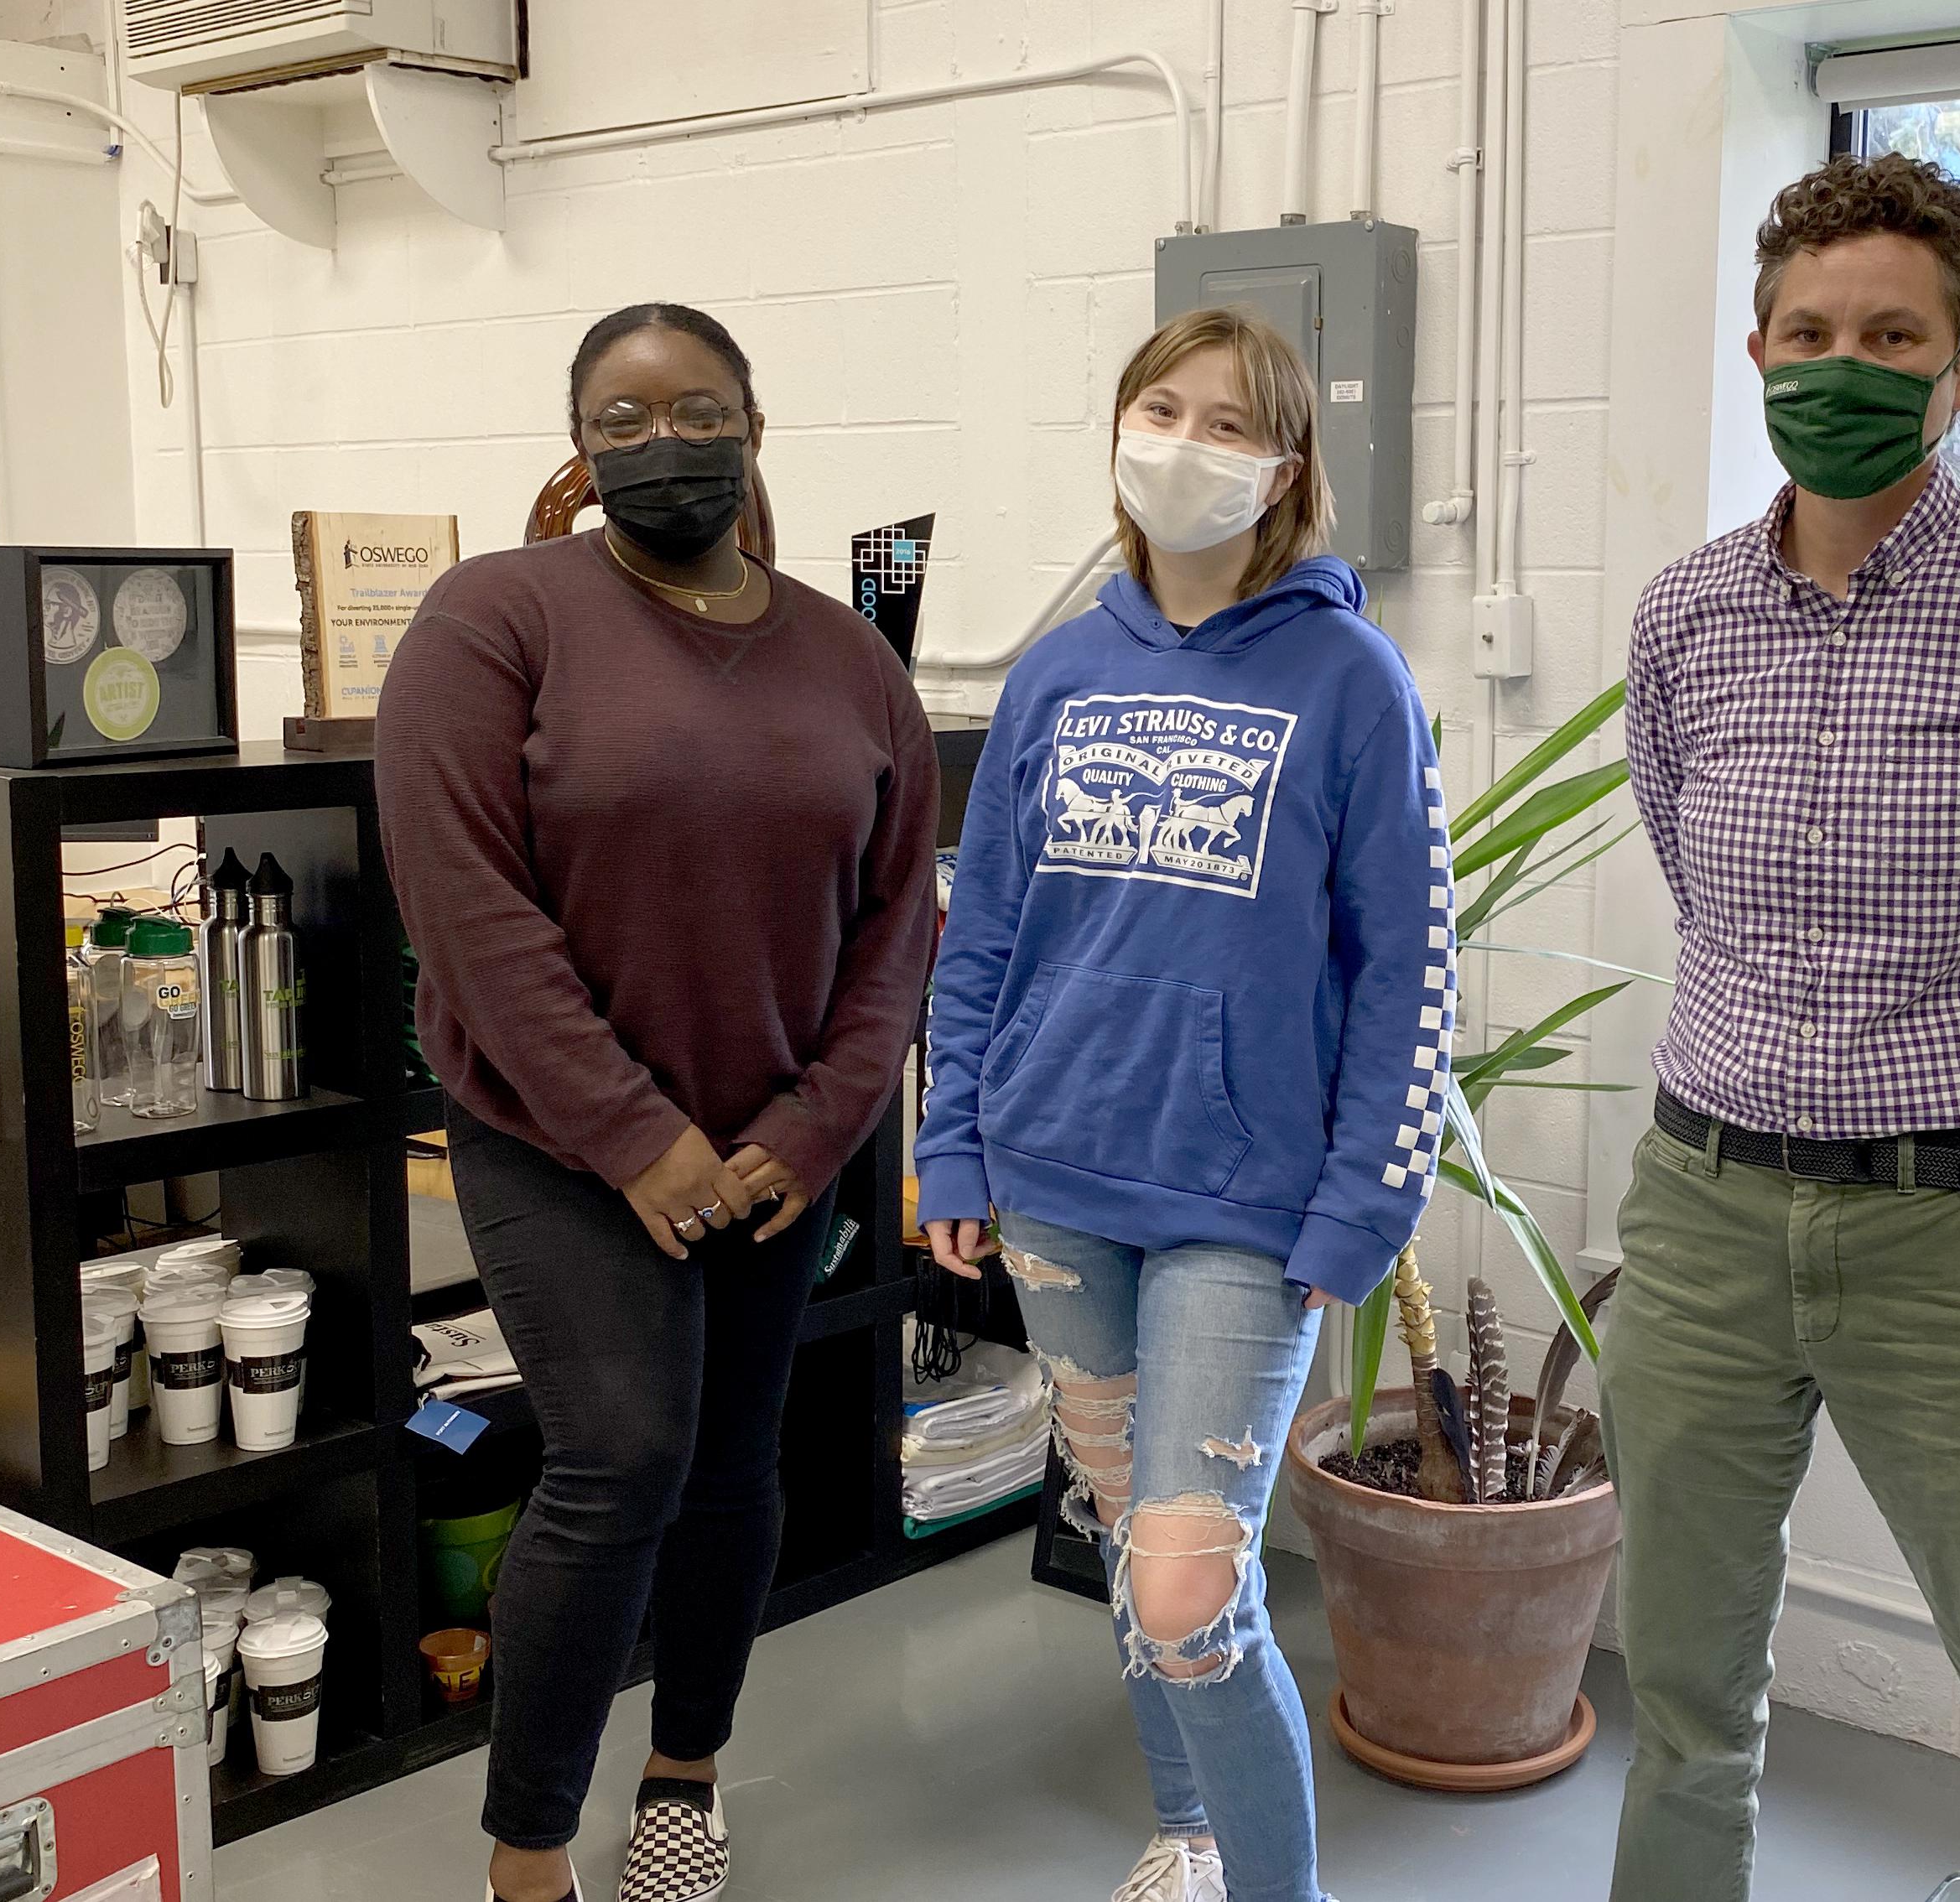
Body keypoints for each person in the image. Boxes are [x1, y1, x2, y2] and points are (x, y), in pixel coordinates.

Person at [1601, 154, 1960, 1902]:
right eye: (1808, 331)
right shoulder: (1685, 616)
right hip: (1702, 1216)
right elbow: (1693, 864)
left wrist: (1954, 1018)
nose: (1841, 365)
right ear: (1758, 347)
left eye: (1890, 334)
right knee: (1686, 1691)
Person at [377, 301, 939, 1902]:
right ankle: (531, 1854)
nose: (661, 445)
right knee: (619, 1455)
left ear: (756, 426)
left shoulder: (852, 659)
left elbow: (899, 929)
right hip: (556, 1138)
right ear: (576, 450)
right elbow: (465, 912)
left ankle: (685, 1774)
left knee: (732, 1462)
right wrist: (637, 1137)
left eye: (694, 412)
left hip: (775, 1151)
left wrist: (812, 1130)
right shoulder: (494, 621)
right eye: (618, 423)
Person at [918, 304, 1448, 1902]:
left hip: (1247, 1200)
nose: (1189, 443)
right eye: (1164, 406)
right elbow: (987, 926)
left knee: (1181, 1585)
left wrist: (1367, 1203)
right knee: (1122, 1529)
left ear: (1286, 468)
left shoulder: (1352, 679)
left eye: (1231, 422)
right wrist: (953, 1138)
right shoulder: (1061, 671)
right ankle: (1191, 1827)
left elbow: (1412, 968)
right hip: (1060, 1182)